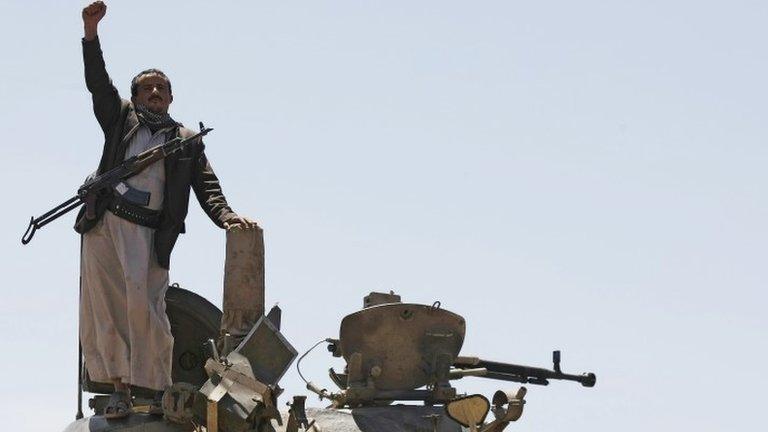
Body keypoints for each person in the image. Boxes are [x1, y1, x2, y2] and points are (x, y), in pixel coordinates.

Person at [77, 1, 256, 418]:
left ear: (171, 97)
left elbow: (206, 185)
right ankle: (117, 389)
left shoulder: (186, 140)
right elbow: (97, 84)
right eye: (146, 88)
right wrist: (91, 34)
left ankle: (157, 390)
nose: (154, 93)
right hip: (105, 225)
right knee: (106, 310)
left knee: (148, 311)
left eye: (161, 88)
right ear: (136, 95)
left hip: (148, 233)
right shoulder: (121, 120)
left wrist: (226, 216)